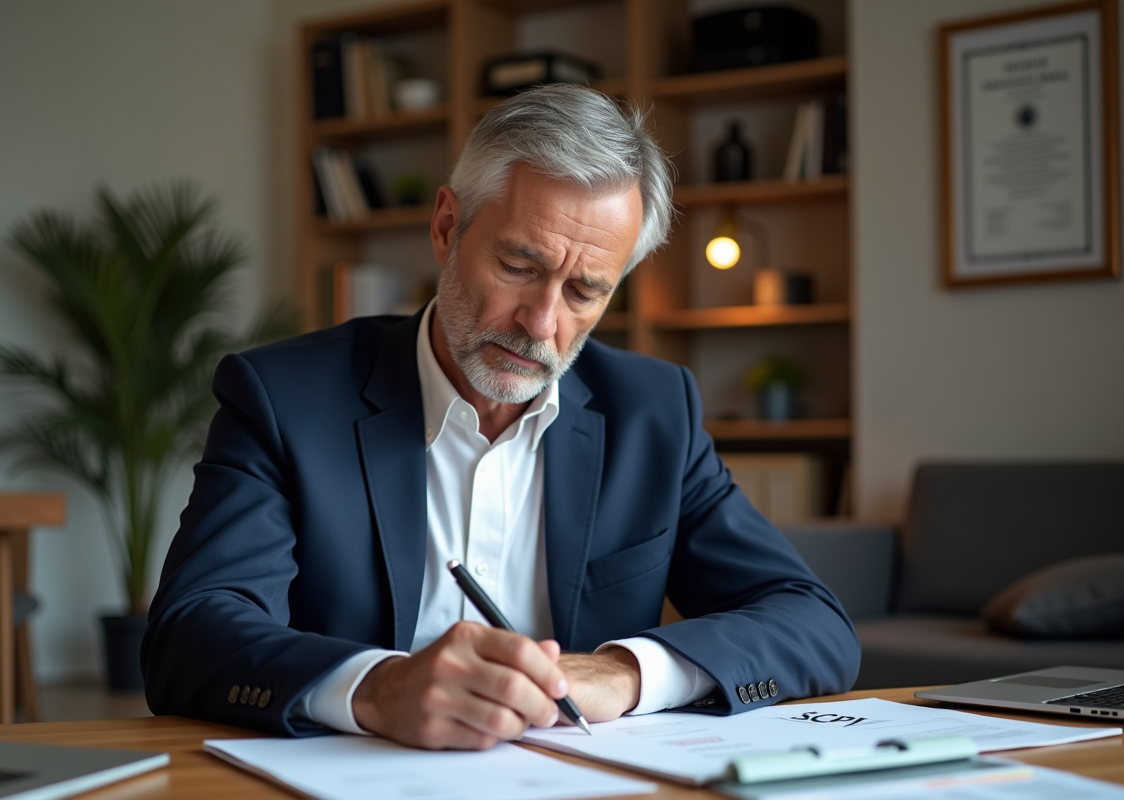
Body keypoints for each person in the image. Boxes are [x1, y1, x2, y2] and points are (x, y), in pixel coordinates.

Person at [141, 84, 860, 749]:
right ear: (446, 226)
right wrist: (376, 688)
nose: (541, 324)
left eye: (584, 291)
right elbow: (190, 634)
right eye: (519, 267)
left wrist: (622, 673)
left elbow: (812, 621)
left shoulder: (653, 412)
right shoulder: (283, 398)